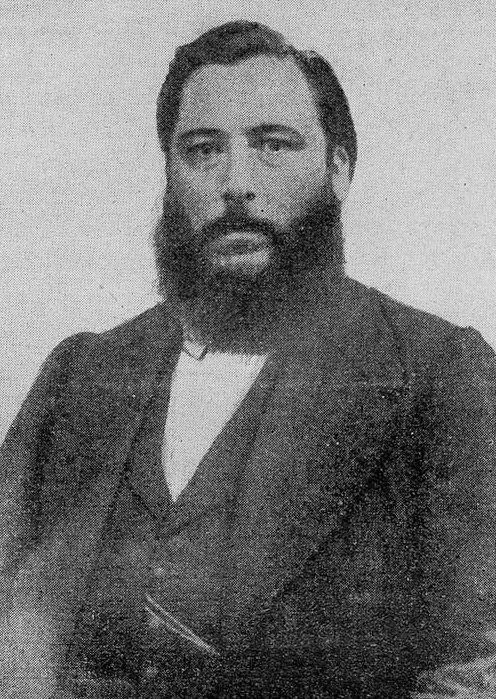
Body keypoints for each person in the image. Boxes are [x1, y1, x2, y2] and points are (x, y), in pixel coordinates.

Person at [1, 20, 495, 699]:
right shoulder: (82, 374)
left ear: (339, 167)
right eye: (202, 150)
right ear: (171, 176)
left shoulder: (436, 374)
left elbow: (477, 671)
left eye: (272, 145)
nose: (235, 182)